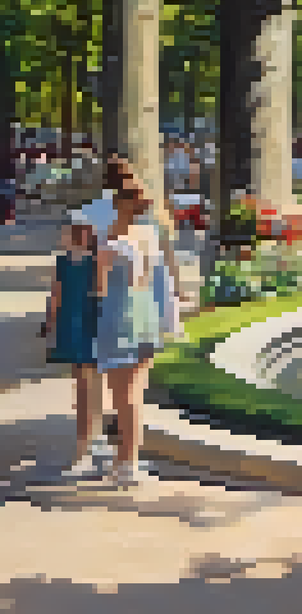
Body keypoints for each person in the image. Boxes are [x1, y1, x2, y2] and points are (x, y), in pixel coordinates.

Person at [94, 179, 176, 489]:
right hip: (146, 313)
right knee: (136, 393)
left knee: (121, 394)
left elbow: (98, 287)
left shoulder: (110, 237)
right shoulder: (149, 234)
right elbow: (160, 279)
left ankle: (125, 462)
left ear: (118, 202)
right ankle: (129, 459)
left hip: (119, 314)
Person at [40, 216, 106, 480]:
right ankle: (93, 439)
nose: (63, 235)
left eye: (68, 231)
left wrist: (49, 324)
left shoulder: (66, 262)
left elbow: (55, 296)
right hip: (90, 327)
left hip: (75, 328)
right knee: (93, 384)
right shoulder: (94, 262)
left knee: (83, 388)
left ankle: (85, 448)